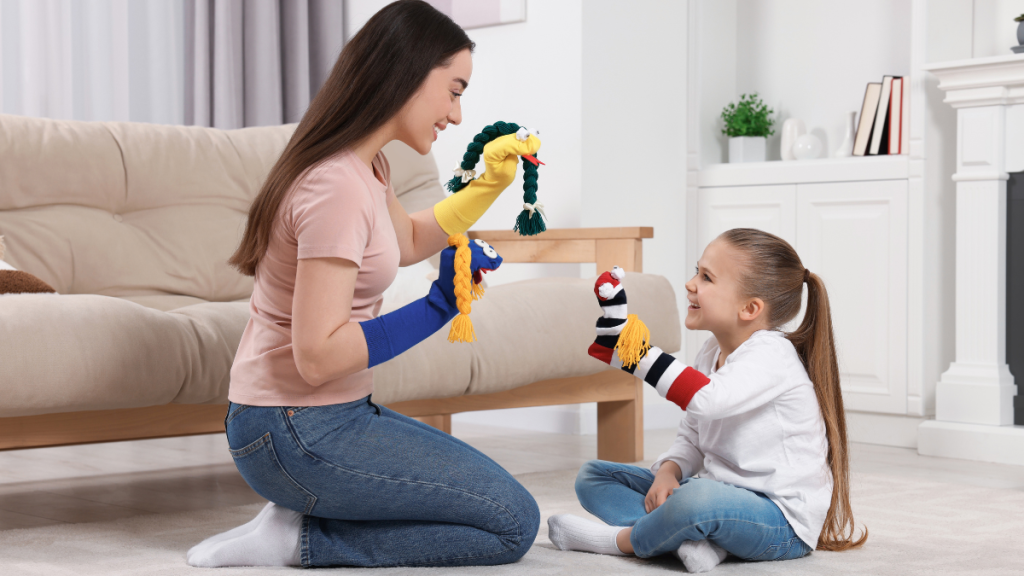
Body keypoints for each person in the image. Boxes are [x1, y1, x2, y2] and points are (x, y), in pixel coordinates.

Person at [186, 0, 542, 568]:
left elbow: (405, 243)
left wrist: (489, 184)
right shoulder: (337, 186)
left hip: (330, 415)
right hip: (292, 428)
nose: (455, 115)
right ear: (406, 71)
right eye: (453, 90)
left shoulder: (367, 167)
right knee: (511, 524)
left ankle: (300, 512)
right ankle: (300, 539)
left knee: (497, 508)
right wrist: (440, 304)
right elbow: (320, 356)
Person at [548, 228, 867, 572]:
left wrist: (635, 351)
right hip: (718, 499)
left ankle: (621, 541)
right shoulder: (710, 353)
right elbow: (694, 434)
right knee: (594, 476)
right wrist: (669, 472)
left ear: (750, 308)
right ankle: (692, 539)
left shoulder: (772, 354)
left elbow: (708, 400)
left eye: (706, 277)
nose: (690, 283)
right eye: (696, 271)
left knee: (696, 500)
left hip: (779, 522)